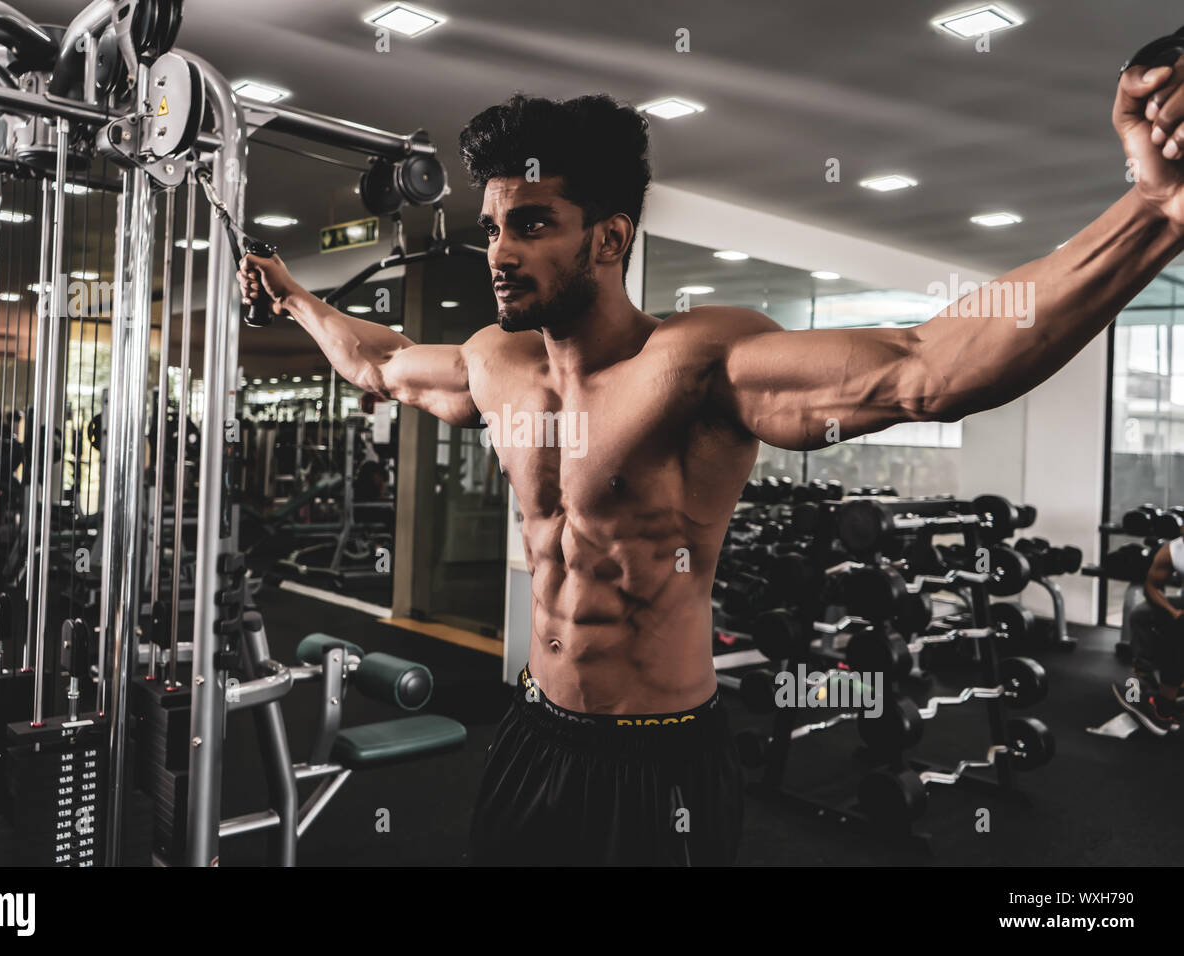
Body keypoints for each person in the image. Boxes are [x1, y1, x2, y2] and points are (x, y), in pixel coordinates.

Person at [239, 58, 1184, 864]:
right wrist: (294, 302)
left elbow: (926, 369)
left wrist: (1154, 209)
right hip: (532, 729)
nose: (499, 250)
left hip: (658, 759)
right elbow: (383, 365)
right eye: (493, 227)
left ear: (609, 237)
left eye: (531, 224)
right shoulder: (497, 364)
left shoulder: (698, 365)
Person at [1117, 539, 1184, 734]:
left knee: (1179, 629)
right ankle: (1145, 679)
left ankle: (1163, 710)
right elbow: (1151, 587)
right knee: (1141, 614)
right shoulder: (1174, 550)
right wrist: (1172, 612)